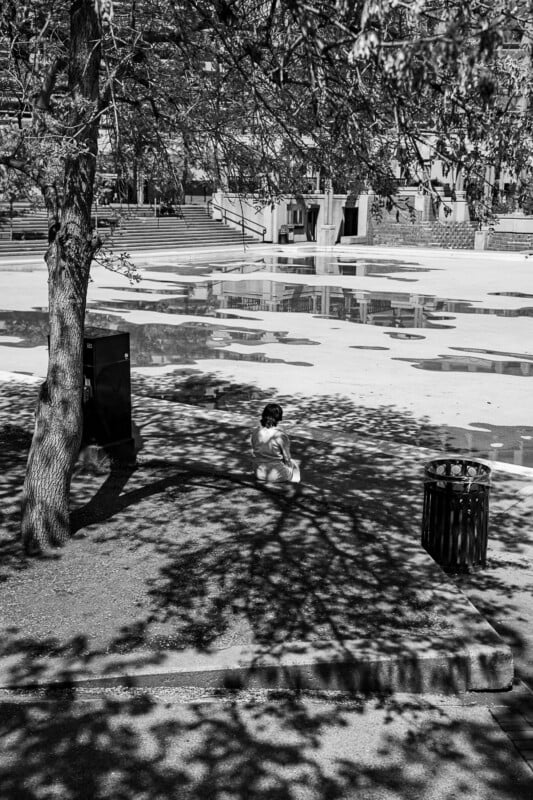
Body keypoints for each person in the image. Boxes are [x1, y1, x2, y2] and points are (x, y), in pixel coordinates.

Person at [250, 403, 300, 483]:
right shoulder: (280, 435)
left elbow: (254, 448)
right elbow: (287, 458)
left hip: (258, 472)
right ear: (278, 417)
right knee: (294, 465)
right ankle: (293, 483)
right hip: (276, 473)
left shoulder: (256, 431)